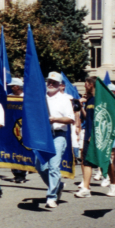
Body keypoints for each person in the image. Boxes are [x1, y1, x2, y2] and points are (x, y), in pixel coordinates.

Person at [75, 77, 115, 198]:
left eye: (85, 83)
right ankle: (86, 188)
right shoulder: (89, 99)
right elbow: (87, 117)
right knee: (86, 161)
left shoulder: (101, 100)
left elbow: (105, 117)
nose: (84, 85)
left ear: (90, 84)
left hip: (99, 135)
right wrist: (81, 106)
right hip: (88, 133)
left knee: (104, 160)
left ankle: (114, 184)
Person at [41, 73, 74, 208]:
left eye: (54, 82)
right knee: (40, 166)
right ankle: (57, 185)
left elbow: (70, 119)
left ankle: (51, 196)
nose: (51, 84)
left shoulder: (65, 99)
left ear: (60, 85)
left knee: (54, 166)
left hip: (58, 134)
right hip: (43, 136)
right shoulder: (41, 98)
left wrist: (55, 119)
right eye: (49, 81)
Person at [7, 78, 27, 183]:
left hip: (23, 127)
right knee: (13, 150)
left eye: (12, 86)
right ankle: (15, 173)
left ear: (17, 87)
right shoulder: (9, 97)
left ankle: (22, 174)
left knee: (21, 150)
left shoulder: (26, 98)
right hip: (12, 127)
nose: (11, 87)